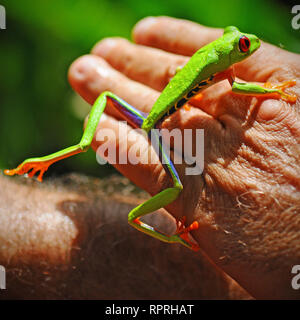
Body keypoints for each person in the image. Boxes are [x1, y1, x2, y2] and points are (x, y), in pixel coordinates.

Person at [1, 17, 299, 299]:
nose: (246, 46)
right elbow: (239, 87)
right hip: (156, 124)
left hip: (162, 110)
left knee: (105, 101)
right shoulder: (224, 67)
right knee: (177, 188)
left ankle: (53, 159)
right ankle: (164, 233)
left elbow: (232, 83)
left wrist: (267, 90)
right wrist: (271, 92)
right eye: (242, 45)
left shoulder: (221, 63)